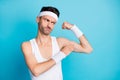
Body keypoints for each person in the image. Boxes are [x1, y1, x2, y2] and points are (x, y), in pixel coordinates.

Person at [21, 6, 93, 80]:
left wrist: (73, 28)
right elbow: (36, 71)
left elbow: (88, 49)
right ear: (38, 19)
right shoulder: (27, 45)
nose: (49, 25)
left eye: (53, 23)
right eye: (47, 20)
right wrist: (62, 54)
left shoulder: (60, 42)